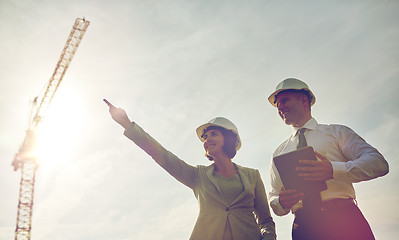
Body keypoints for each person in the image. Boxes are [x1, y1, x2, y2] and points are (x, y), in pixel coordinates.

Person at [104, 99, 276, 240]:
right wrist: (127, 124)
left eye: (214, 134)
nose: (207, 140)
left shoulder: (252, 176)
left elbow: (266, 221)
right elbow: (162, 156)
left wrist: (268, 238)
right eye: (205, 137)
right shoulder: (197, 176)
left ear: (229, 138)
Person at [267, 78, 389, 240]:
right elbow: (274, 196)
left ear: (303, 100)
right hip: (304, 228)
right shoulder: (278, 153)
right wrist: (281, 202)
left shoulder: (337, 133)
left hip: (345, 221)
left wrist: (333, 170)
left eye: (284, 100)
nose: (279, 107)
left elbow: (379, 163)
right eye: (277, 104)